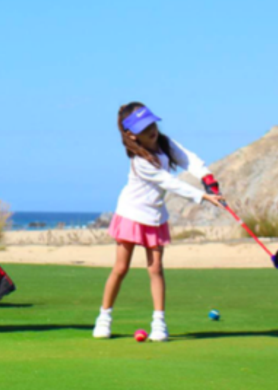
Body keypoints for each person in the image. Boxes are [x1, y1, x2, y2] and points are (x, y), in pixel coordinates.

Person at [93, 102, 225, 342]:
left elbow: (187, 158)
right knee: (121, 269)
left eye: (152, 124)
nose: (152, 130)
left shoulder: (165, 143)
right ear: (131, 134)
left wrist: (206, 176)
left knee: (155, 269)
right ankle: (104, 318)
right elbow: (169, 182)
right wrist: (202, 196)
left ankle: (159, 323)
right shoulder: (140, 161)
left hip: (155, 216)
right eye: (144, 128)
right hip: (131, 214)